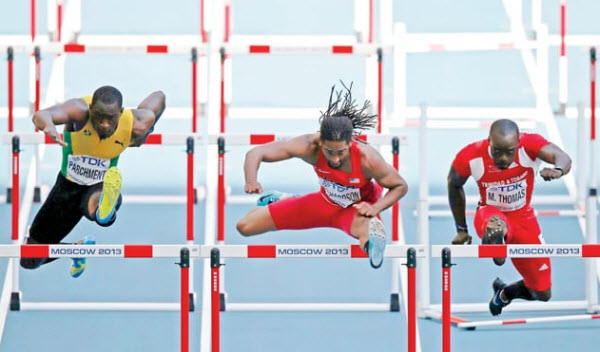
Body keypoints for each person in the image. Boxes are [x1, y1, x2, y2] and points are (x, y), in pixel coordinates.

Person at [236, 83, 408, 269]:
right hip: (323, 204)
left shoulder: (369, 159)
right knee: (245, 227)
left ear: (350, 143)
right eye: (329, 151)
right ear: (321, 142)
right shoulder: (309, 146)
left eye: (341, 152)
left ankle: (371, 239)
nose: (334, 158)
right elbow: (256, 152)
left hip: (357, 211)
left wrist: (376, 208)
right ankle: (286, 200)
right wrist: (251, 180)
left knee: (369, 237)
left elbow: (400, 186)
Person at [22, 85, 165, 277]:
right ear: (91, 110)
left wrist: (146, 133)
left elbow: (159, 97)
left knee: (96, 204)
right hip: (66, 188)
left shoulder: (137, 123)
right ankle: (77, 249)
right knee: (29, 258)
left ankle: (105, 210)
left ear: (121, 113)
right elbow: (41, 114)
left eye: (111, 118)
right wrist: (48, 125)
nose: (104, 124)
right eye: (99, 117)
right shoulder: (79, 111)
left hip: (98, 186)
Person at [447, 119, 572, 315]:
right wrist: (461, 230)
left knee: (542, 293)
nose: (503, 158)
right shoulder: (471, 155)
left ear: (518, 145)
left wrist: (558, 170)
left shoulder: (530, 144)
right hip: (489, 212)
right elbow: (454, 183)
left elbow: (562, 157)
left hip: (524, 218)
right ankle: (496, 240)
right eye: (497, 151)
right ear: (489, 141)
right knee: (497, 225)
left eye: (510, 152)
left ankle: (504, 293)